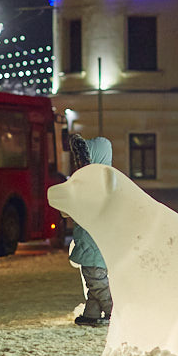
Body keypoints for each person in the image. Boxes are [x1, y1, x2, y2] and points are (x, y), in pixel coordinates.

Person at [66, 134, 114, 327]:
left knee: (97, 282)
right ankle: (92, 312)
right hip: (93, 246)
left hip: (94, 247)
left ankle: (115, 312)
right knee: (93, 282)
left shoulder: (96, 187)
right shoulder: (106, 184)